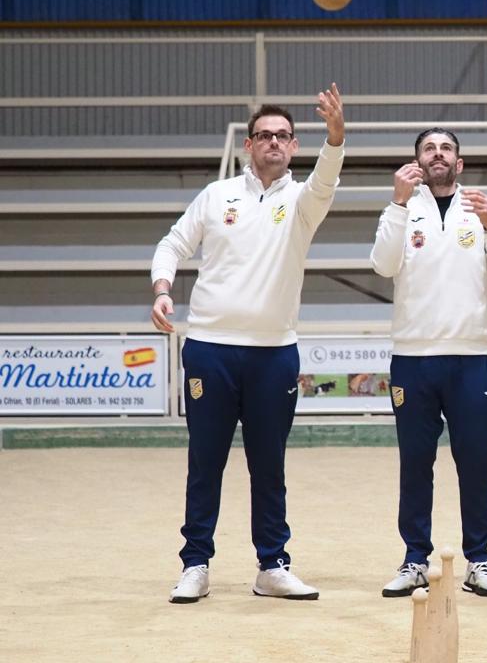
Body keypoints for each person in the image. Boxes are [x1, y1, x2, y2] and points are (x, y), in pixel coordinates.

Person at [151, 88, 345, 604]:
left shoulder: (303, 203)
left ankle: (272, 565)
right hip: (210, 349)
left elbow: (327, 179)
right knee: (205, 460)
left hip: (274, 352)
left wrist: (336, 136)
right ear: (250, 146)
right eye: (265, 135)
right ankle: (195, 564)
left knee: (269, 463)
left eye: (284, 136)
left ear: (294, 146)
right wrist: (164, 290)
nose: (274, 143)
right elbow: (172, 243)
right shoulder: (217, 197)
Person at [370, 128, 487, 599]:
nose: (438, 154)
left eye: (446, 148)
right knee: (415, 463)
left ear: (459, 162)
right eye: (429, 149)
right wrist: (398, 203)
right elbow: (382, 264)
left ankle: (480, 560)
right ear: (416, 163)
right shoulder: (401, 207)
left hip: (469, 358)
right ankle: (415, 558)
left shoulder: (482, 208)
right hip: (413, 360)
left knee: (474, 461)